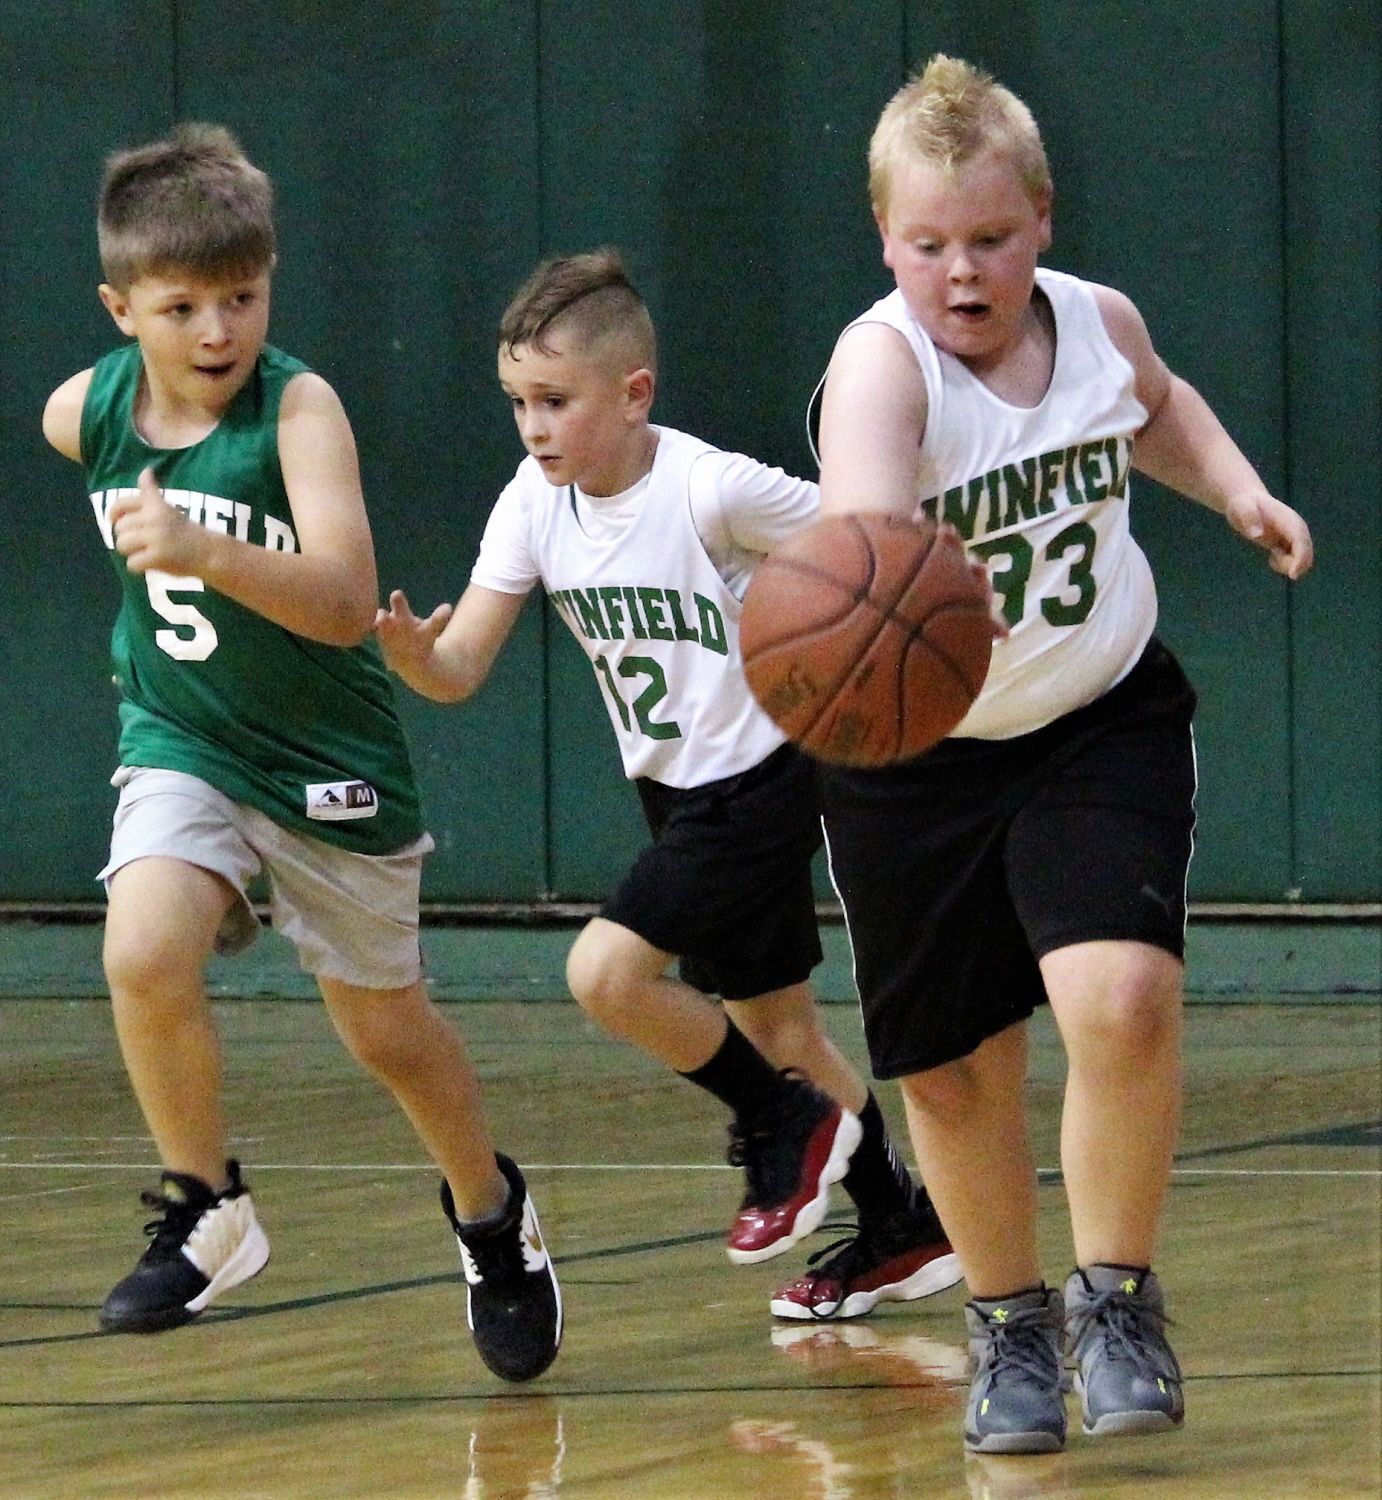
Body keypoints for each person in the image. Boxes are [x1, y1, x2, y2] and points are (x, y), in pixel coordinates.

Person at [809, 56, 1313, 1454]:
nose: (958, 273)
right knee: (956, 1065)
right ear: (884, 244)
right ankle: (1009, 1326)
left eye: (986, 239)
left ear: (1040, 218)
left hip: (1094, 716)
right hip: (913, 749)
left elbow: (1150, 402)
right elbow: (862, 499)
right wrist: (886, 574)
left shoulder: (1093, 323)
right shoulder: (879, 362)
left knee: (1121, 997)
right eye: (926, 246)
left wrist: (1234, 490)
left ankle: (1117, 1299)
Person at [42, 123, 561, 1382]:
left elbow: (343, 602)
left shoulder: (300, 405)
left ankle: (491, 1215)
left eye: (243, 295)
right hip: (182, 739)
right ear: (121, 310)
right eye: (182, 306)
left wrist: (208, 551)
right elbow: (78, 437)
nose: (218, 329)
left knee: (385, 1032)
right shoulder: (86, 409)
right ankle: (207, 1201)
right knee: (142, 947)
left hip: (330, 756)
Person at [375, 248, 960, 1319]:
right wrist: (421, 661)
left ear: (633, 393)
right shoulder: (531, 504)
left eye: (553, 401)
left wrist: (934, 600)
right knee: (780, 1028)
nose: (533, 426)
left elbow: (869, 533)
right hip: (676, 792)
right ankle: (897, 1225)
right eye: (516, 404)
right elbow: (461, 666)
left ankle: (783, 1128)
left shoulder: (709, 487)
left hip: (763, 779)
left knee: (604, 975)